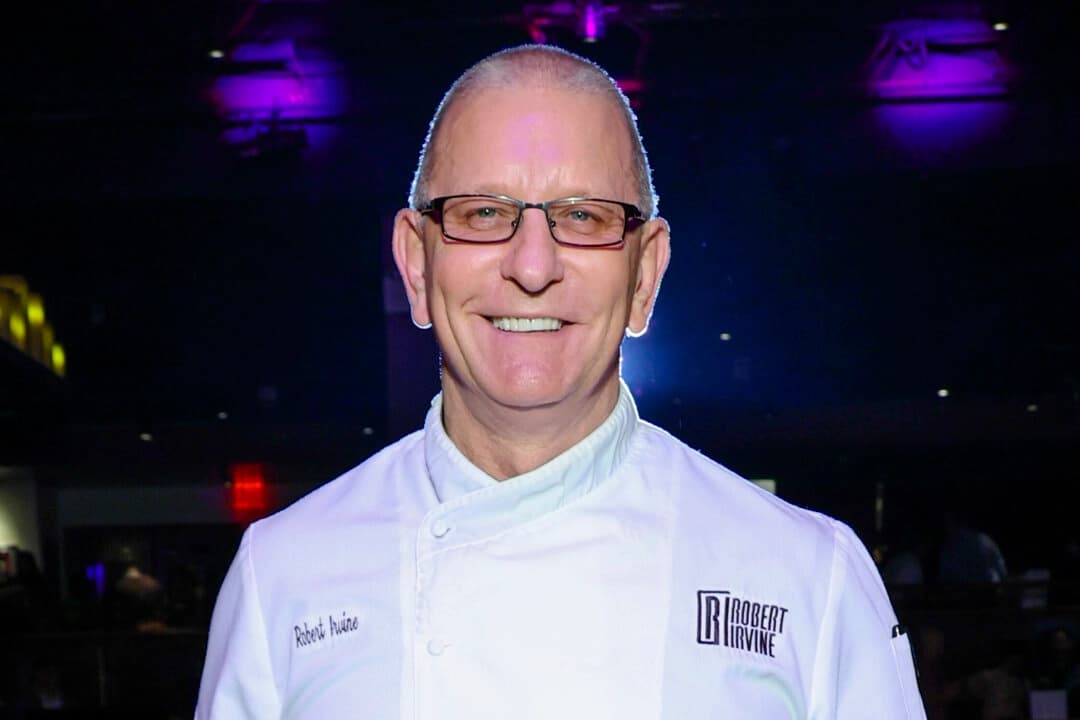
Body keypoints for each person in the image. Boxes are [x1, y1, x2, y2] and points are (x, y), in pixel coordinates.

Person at [195, 44, 927, 719]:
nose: (534, 266)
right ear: (416, 266)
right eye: (484, 213)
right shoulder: (281, 577)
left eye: (584, 216)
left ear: (644, 275)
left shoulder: (808, 576)